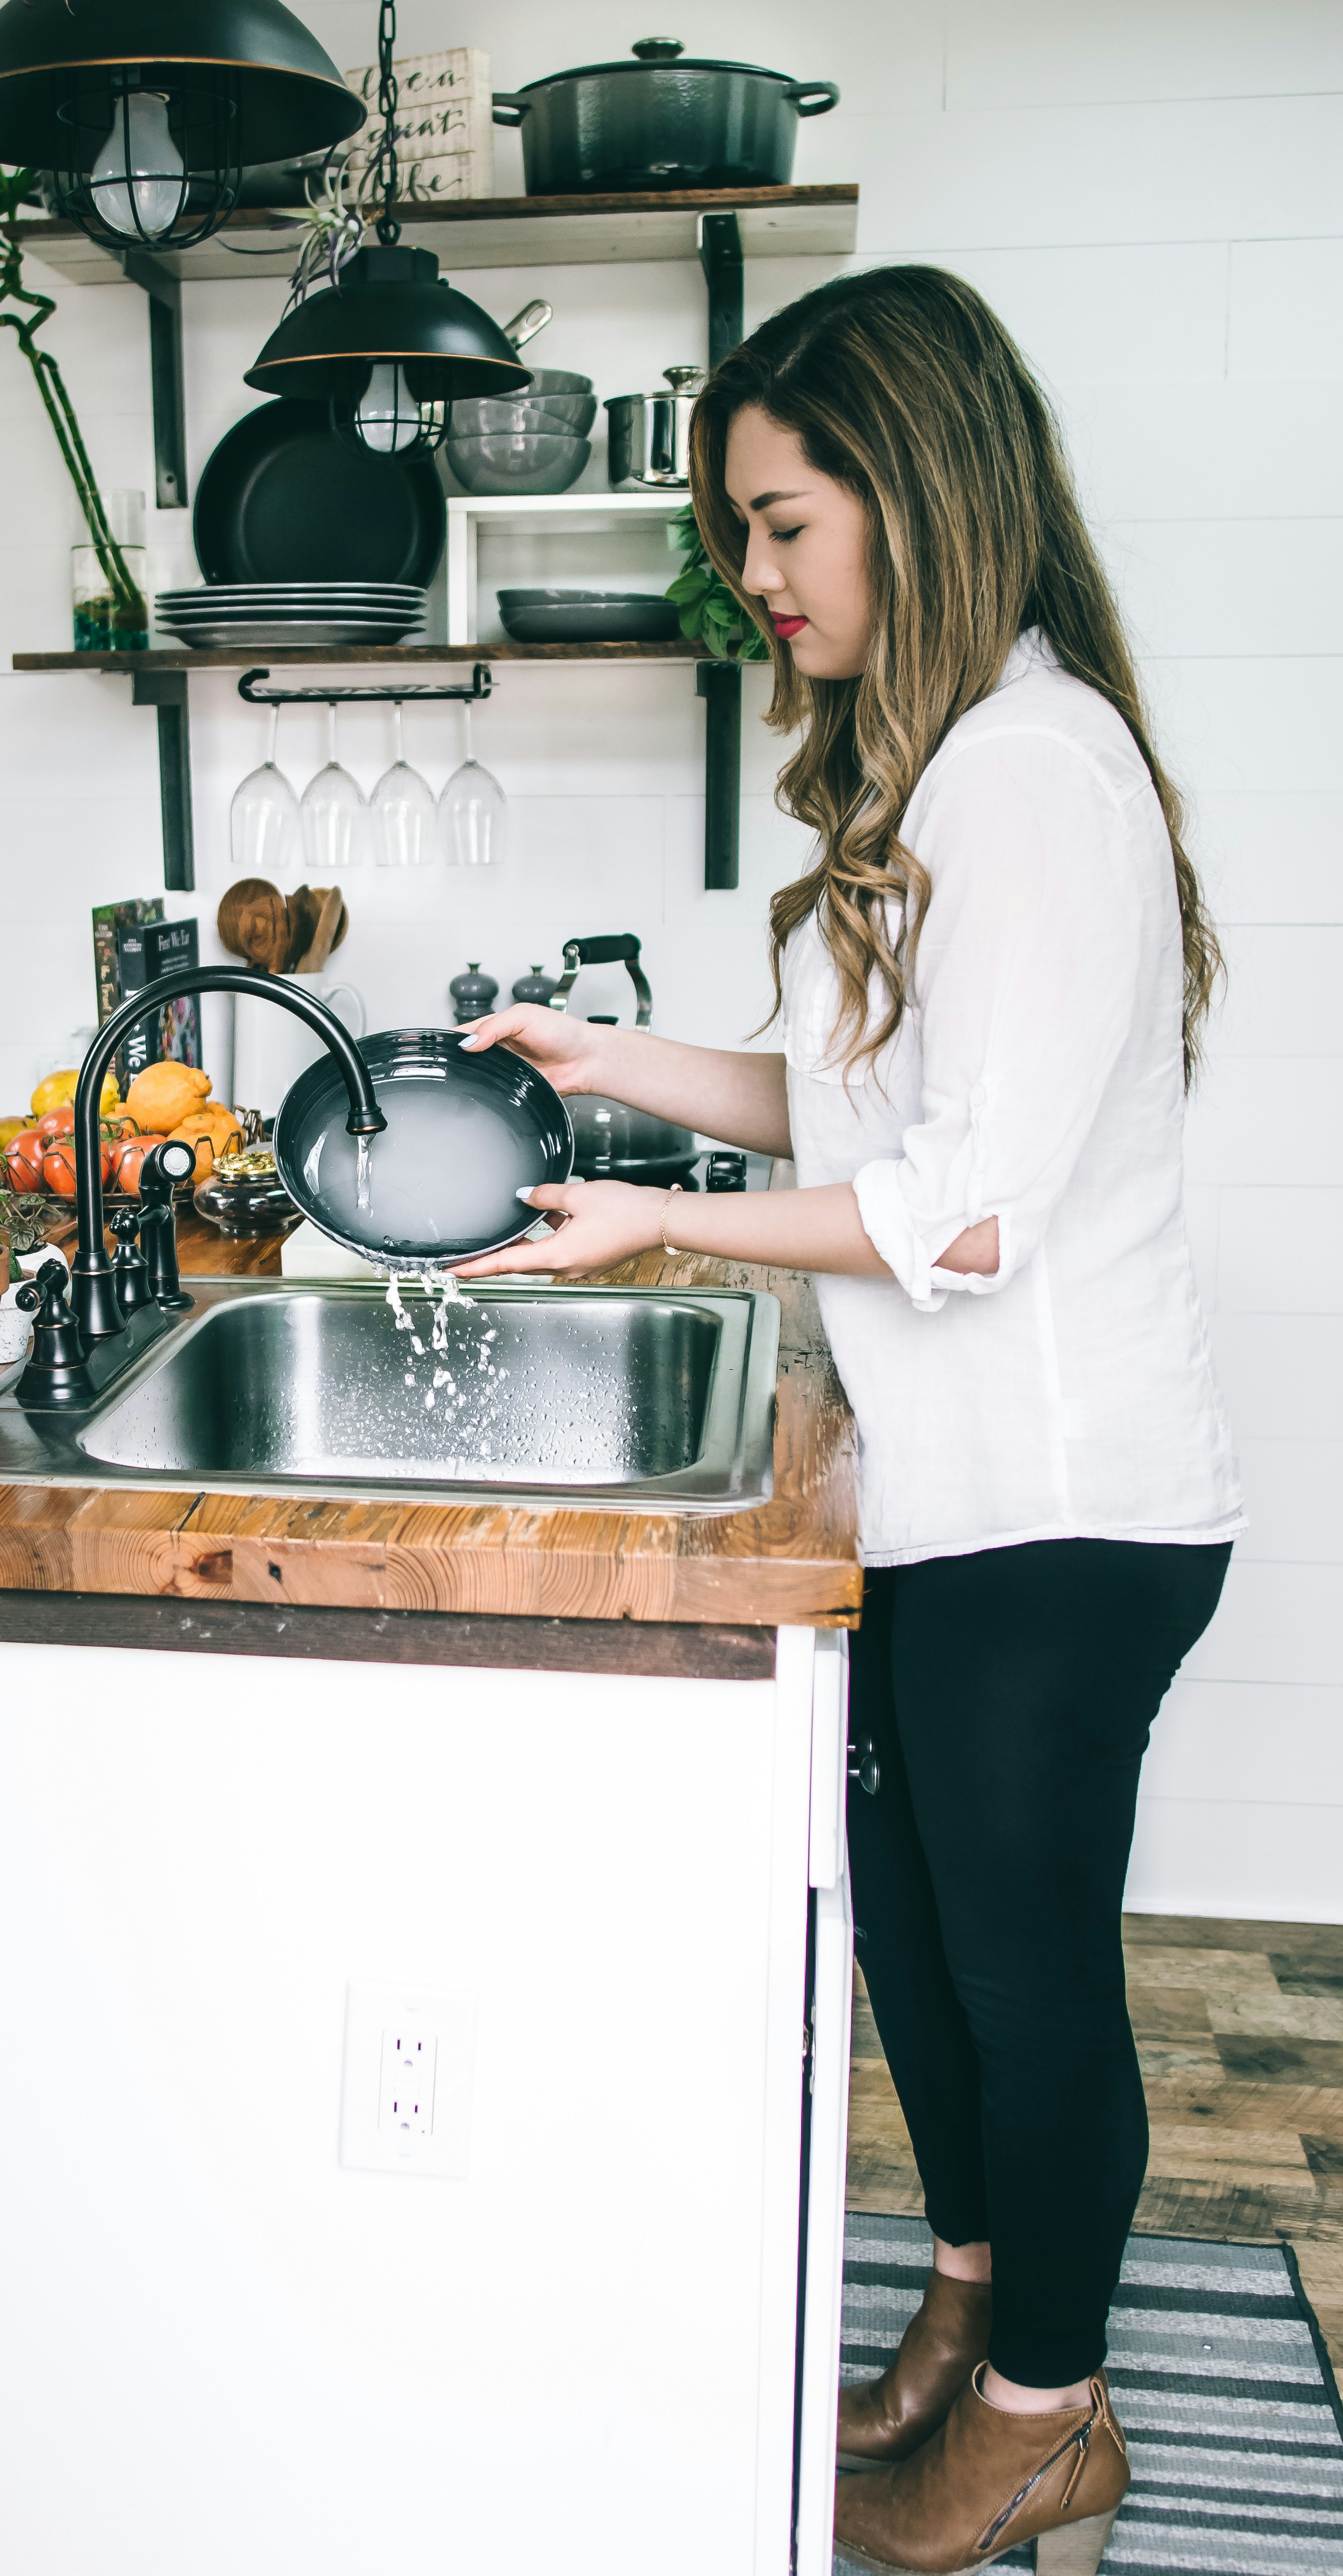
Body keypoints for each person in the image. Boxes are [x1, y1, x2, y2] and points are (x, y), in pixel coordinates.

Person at [454, 265, 1242, 2576]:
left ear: (919, 487)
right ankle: (980, 2306)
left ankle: (1044, 2419)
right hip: (951, 1493)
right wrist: (614, 1077)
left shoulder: (1034, 773)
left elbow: (968, 1210)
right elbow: (837, 1095)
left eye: (788, 520)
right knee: (923, 1944)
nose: (758, 574)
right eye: (742, 531)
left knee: (1021, 1968)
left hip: (1068, 1505)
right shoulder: (939, 759)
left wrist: (662, 1234)